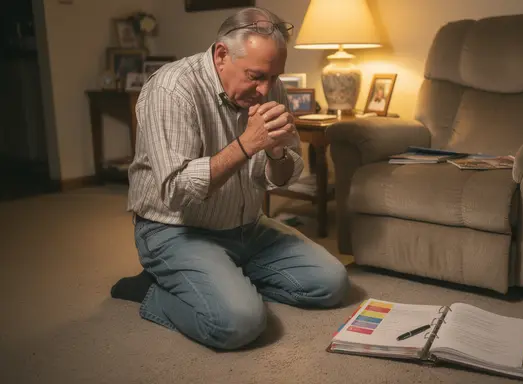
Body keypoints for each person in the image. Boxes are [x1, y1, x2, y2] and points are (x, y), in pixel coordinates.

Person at [110, 7, 350, 350]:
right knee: (240, 324)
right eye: (255, 76)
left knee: (332, 283)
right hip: (175, 229)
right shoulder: (171, 89)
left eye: (274, 76)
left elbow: (283, 177)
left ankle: (225, 280)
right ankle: (150, 291)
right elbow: (175, 192)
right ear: (222, 54)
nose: (267, 89)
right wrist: (246, 144)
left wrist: (276, 153)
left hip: (246, 226)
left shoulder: (269, 86)